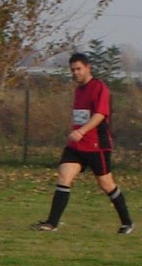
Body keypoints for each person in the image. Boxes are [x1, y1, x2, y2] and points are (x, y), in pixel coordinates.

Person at [33, 51, 134, 234]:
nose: (75, 73)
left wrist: (81, 131)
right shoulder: (78, 90)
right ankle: (51, 223)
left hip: (96, 145)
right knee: (64, 175)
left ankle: (127, 222)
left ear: (88, 68)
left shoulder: (99, 87)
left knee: (106, 184)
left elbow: (100, 115)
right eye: (72, 70)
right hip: (77, 145)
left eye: (79, 69)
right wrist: (77, 131)